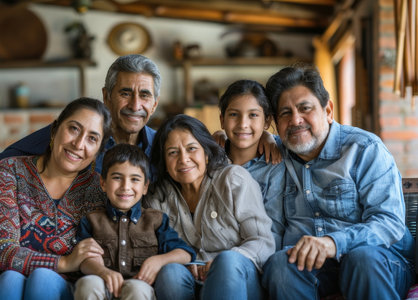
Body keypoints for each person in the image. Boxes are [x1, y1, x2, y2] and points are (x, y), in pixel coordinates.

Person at [0, 54, 161, 266]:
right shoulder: (70, 136)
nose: (135, 105)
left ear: (154, 104)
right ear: (107, 96)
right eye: (125, 93)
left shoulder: (164, 149)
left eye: (144, 95)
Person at [261, 65, 415, 300]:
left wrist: (333, 242)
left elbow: (389, 223)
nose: (295, 120)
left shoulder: (364, 149)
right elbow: (239, 135)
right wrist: (223, 139)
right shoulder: (275, 154)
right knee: (281, 265)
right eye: (285, 113)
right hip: (314, 269)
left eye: (305, 108)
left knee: (361, 259)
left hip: (380, 262)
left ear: (328, 110)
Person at [0, 97, 112, 300]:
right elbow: (2, 253)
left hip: (71, 290)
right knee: (10, 280)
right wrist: (65, 262)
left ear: (98, 152)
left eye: (92, 139)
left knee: (42, 278)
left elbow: (100, 254)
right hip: (8, 284)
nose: (78, 144)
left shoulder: (99, 189)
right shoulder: (9, 171)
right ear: (54, 130)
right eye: (74, 129)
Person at [144, 114, 275, 300]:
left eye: (191, 149)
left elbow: (262, 241)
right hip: (189, 278)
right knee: (170, 272)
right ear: (164, 162)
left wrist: (219, 263)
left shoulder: (233, 180)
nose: (183, 159)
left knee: (227, 262)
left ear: (206, 153)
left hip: (237, 278)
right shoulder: (157, 197)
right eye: (173, 152)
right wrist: (184, 261)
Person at [74, 144, 196, 300]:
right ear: (103, 183)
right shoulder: (90, 220)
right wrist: (101, 271)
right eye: (117, 178)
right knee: (88, 283)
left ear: (145, 187)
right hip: (102, 283)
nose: (126, 187)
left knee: (136, 289)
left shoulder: (156, 220)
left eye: (135, 179)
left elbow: (185, 254)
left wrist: (158, 261)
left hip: (139, 289)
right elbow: (83, 259)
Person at [218, 79, 285, 250]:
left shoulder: (275, 166)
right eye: (233, 114)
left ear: (267, 121)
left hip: (258, 255)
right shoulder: (209, 163)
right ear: (222, 120)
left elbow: (274, 230)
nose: (243, 124)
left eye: (253, 115)